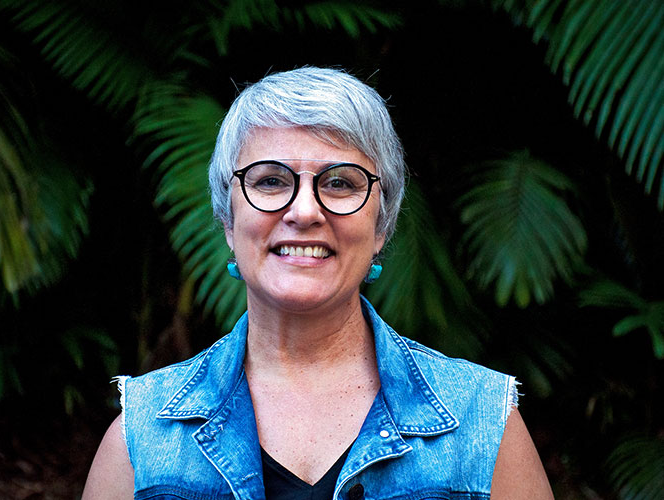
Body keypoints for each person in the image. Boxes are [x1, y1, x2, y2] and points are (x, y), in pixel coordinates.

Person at [83, 67, 554, 499]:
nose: (304, 211)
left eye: (340, 183)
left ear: (381, 225)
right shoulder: (143, 434)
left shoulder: (482, 424)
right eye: (270, 181)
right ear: (228, 220)